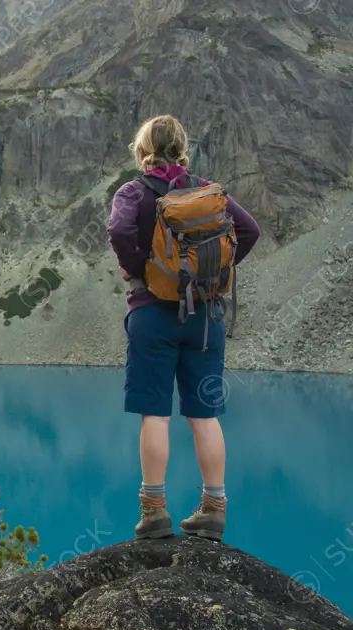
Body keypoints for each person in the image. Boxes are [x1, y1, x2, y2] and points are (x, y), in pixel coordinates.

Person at [106, 114, 261, 542]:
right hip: (205, 318)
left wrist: (139, 268)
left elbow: (118, 229)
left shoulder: (133, 191)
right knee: (204, 416)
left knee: (155, 414)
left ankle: (154, 513)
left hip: (153, 314)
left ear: (142, 151)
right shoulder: (208, 193)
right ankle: (214, 508)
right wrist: (214, 274)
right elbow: (249, 230)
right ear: (182, 149)